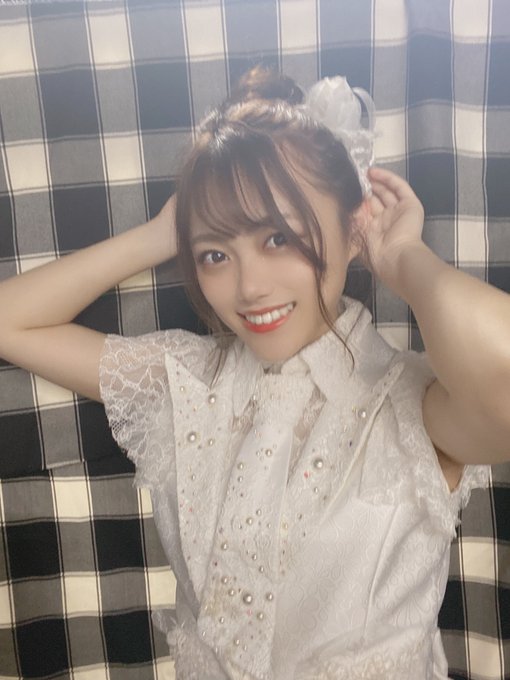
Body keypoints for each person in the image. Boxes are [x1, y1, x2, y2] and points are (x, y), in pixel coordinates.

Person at [0, 67, 509, 680]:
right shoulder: (186, 383)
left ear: (353, 227)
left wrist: (402, 256)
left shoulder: (413, 403)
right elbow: (10, 322)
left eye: (277, 238)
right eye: (215, 254)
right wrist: (161, 235)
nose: (248, 287)